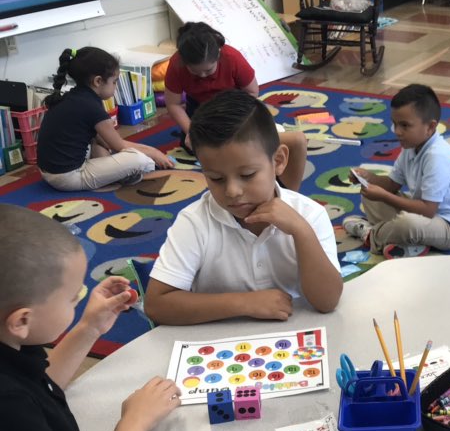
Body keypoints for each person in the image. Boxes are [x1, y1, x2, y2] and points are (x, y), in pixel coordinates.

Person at [0, 204, 181, 431]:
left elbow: (39, 384)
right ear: (21, 321)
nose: (77, 302)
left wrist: (89, 326)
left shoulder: (11, 341)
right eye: (71, 299)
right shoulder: (7, 403)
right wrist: (135, 422)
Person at [145, 91, 342, 325]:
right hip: (217, 348)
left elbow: (327, 301)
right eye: (216, 178)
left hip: (292, 342)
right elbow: (156, 305)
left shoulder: (309, 215)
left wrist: (302, 232)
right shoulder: (194, 222)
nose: (232, 191)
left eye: (247, 175)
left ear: (278, 161)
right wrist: (245, 303)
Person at [164, 22, 308, 192]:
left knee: (245, 140)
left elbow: (252, 92)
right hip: (200, 109)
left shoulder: (232, 58)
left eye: (208, 70)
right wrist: (190, 130)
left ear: (218, 55)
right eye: (196, 72)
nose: (202, 76)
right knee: (195, 146)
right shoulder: (176, 64)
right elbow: (173, 104)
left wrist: (230, 116)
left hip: (233, 103)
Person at [342, 84, 450, 259]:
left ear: (430, 127)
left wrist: (384, 196)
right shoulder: (411, 147)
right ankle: (405, 243)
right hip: (423, 215)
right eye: (395, 124)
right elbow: (391, 184)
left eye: (405, 125)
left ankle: (370, 235)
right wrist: (368, 177)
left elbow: (428, 210)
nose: (397, 132)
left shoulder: (438, 156)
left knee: (407, 223)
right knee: (369, 193)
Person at [35, 47, 172, 192]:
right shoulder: (91, 107)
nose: (116, 86)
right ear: (98, 81)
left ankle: (112, 174)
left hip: (49, 172)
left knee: (100, 143)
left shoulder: (75, 96)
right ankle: (115, 176)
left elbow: (104, 141)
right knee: (139, 160)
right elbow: (119, 146)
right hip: (67, 178)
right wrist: (154, 153)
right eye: (114, 81)